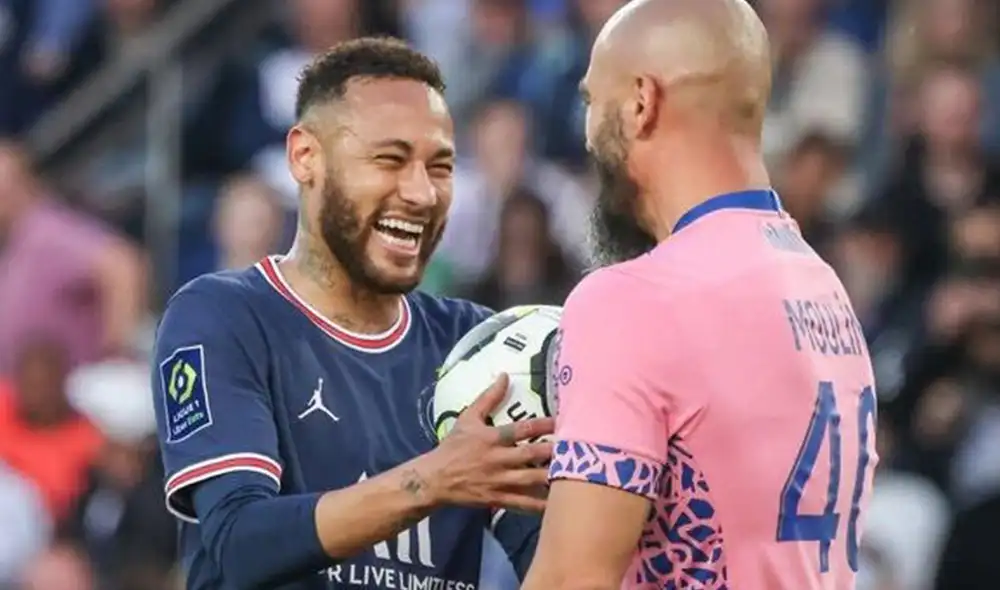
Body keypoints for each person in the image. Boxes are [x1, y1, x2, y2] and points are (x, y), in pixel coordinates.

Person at [151, 37, 553, 590]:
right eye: (389, 160)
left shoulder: (477, 345)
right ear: (305, 157)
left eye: (440, 167)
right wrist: (432, 480)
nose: (421, 193)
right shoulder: (220, 316)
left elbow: (556, 562)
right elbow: (240, 542)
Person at [522, 1, 878, 589]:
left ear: (641, 101)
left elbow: (570, 580)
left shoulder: (634, 302)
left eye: (591, 101)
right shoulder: (824, 289)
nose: (586, 134)